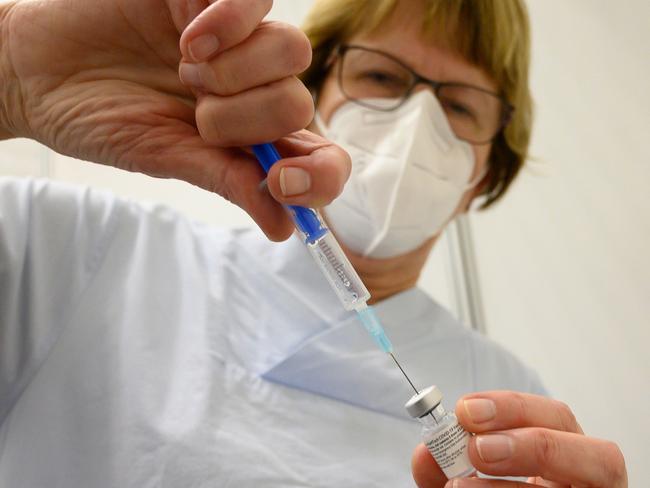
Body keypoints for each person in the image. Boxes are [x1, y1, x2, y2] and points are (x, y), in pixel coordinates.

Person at [0, 0, 627, 487]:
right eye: (382, 76)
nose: (416, 126)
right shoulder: (75, 253)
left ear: (483, 177)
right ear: (308, 102)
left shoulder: (515, 402)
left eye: (461, 108)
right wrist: (11, 75)